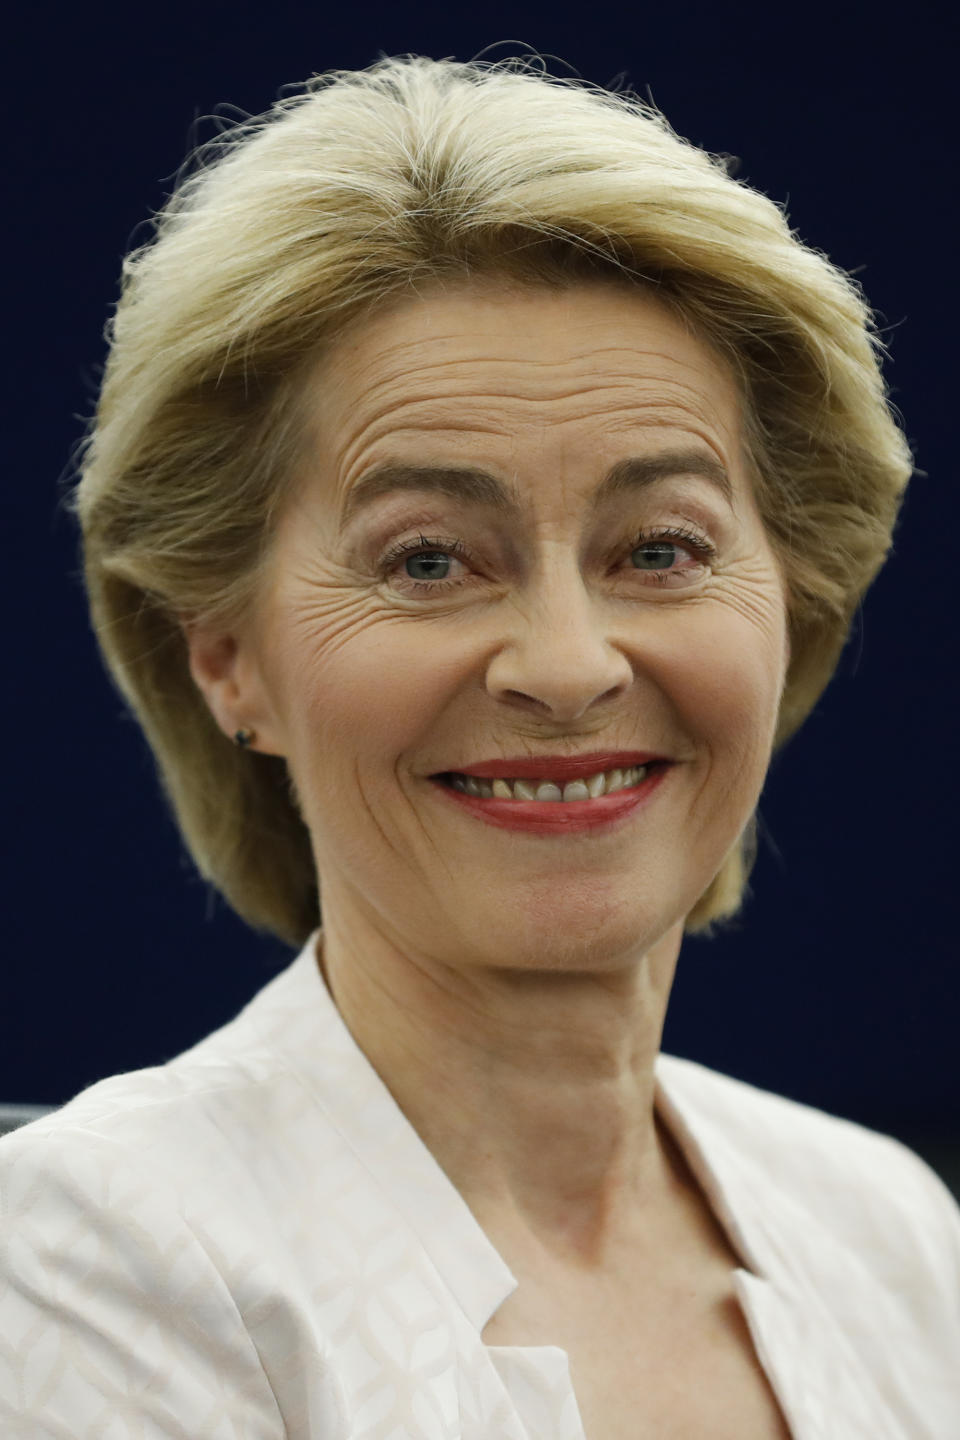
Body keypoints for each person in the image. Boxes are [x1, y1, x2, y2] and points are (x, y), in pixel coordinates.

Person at [1, 53, 956, 1440]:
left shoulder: (888, 1234)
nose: (568, 666)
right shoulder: (92, 1268)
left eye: (662, 548)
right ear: (229, 657)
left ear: (793, 606)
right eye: (430, 559)